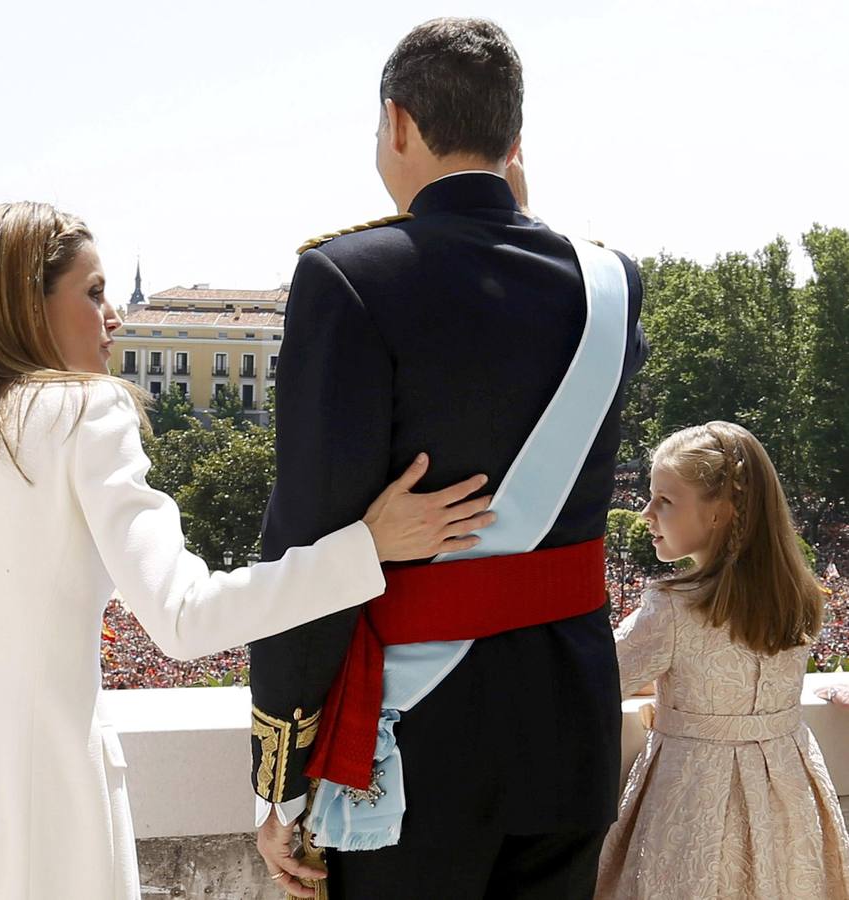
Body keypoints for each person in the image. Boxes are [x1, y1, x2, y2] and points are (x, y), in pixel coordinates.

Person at [0, 201, 496, 900]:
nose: (114, 315)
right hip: (50, 812)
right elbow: (184, 618)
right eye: (93, 293)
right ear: (28, 308)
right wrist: (367, 547)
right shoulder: (86, 413)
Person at [247, 18, 648, 899]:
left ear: (397, 122)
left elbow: (307, 538)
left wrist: (282, 769)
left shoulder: (346, 277)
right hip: (570, 726)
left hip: (415, 749)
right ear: (514, 141)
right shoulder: (612, 282)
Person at [596, 422, 849, 898]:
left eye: (664, 501)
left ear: (720, 513)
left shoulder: (672, 608)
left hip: (695, 799)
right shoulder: (800, 599)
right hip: (788, 794)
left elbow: (597, 681)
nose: (645, 513)